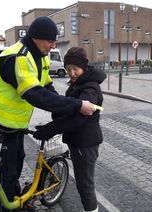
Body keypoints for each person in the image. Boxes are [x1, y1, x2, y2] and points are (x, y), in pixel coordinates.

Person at [0, 17, 96, 211]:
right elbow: (35, 95)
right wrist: (76, 105)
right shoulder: (17, 57)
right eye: (50, 41)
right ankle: (8, 207)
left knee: (16, 165)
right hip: (0, 124)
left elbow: (47, 87)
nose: (53, 46)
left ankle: (16, 201)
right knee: (5, 173)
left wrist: (61, 113)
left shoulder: (41, 57)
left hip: (17, 125)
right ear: (36, 38)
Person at [33, 47, 106, 212]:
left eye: (75, 69)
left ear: (84, 68)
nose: (71, 72)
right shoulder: (78, 84)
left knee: (85, 184)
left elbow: (78, 118)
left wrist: (50, 129)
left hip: (85, 143)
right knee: (83, 182)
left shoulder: (90, 88)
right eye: (68, 68)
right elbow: (69, 107)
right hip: (78, 141)